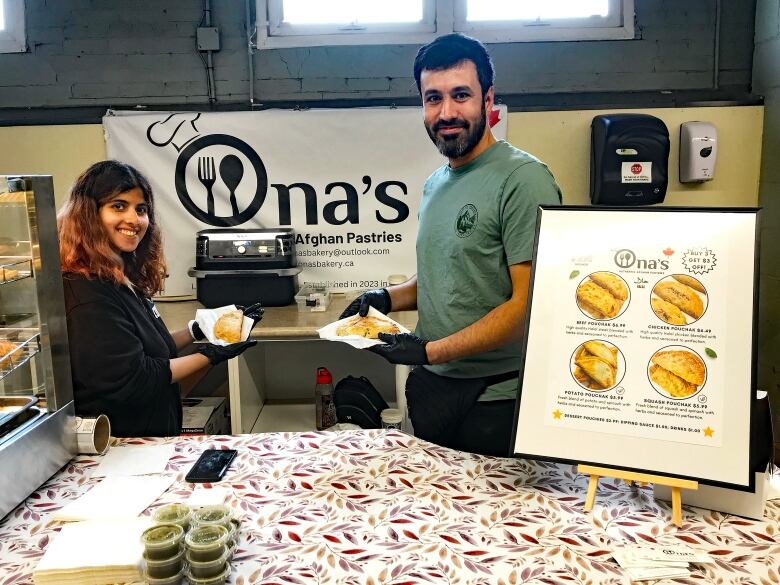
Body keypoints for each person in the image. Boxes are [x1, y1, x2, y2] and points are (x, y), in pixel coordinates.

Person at [340, 34, 562, 456]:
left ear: (488, 98)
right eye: (433, 98)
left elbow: (528, 307)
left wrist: (426, 350)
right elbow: (447, 277)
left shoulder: (524, 180)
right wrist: (386, 298)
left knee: (497, 519)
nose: (446, 112)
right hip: (431, 385)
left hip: (497, 397)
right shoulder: (436, 183)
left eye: (461, 95)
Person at [58, 160, 261, 437]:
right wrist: (211, 354)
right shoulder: (87, 294)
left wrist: (198, 330)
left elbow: (151, 347)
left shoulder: (119, 277)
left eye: (141, 209)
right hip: (122, 448)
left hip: (151, 436)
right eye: (118, 206)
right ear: (88, 214)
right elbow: (137, 377)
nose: (134, 219)